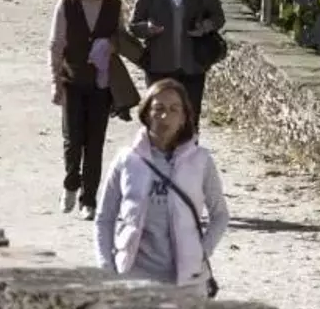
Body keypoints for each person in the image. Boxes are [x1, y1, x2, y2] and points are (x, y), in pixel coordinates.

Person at [95, 79, 229, 297]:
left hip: (187, 282)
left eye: (174, 109)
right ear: (147, 114)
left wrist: (201, 252)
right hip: (134, 278)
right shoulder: (127, 160)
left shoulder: (201, 160)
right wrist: (106, 267)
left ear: (184, 117)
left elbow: (220, 215)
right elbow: (104, 218)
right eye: (158, 109)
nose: (165, 116)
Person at [50, 0, 140, 219]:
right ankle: (71, 183)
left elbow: (121, 38)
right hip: (72, 80)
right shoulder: (66, 4)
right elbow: (56, 45)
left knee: (95, 142)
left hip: (101, 85)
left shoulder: (113, 5)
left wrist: (112, 44)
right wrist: (55, 82)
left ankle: (89, 199)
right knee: (72, 139)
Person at [128, 0, 227, 117]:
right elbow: (134, 25)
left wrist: (204, 27)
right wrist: (147, 28)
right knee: (159, 120)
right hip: (159, 66)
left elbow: (218, 17)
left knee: (189, 120)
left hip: (192, 65)